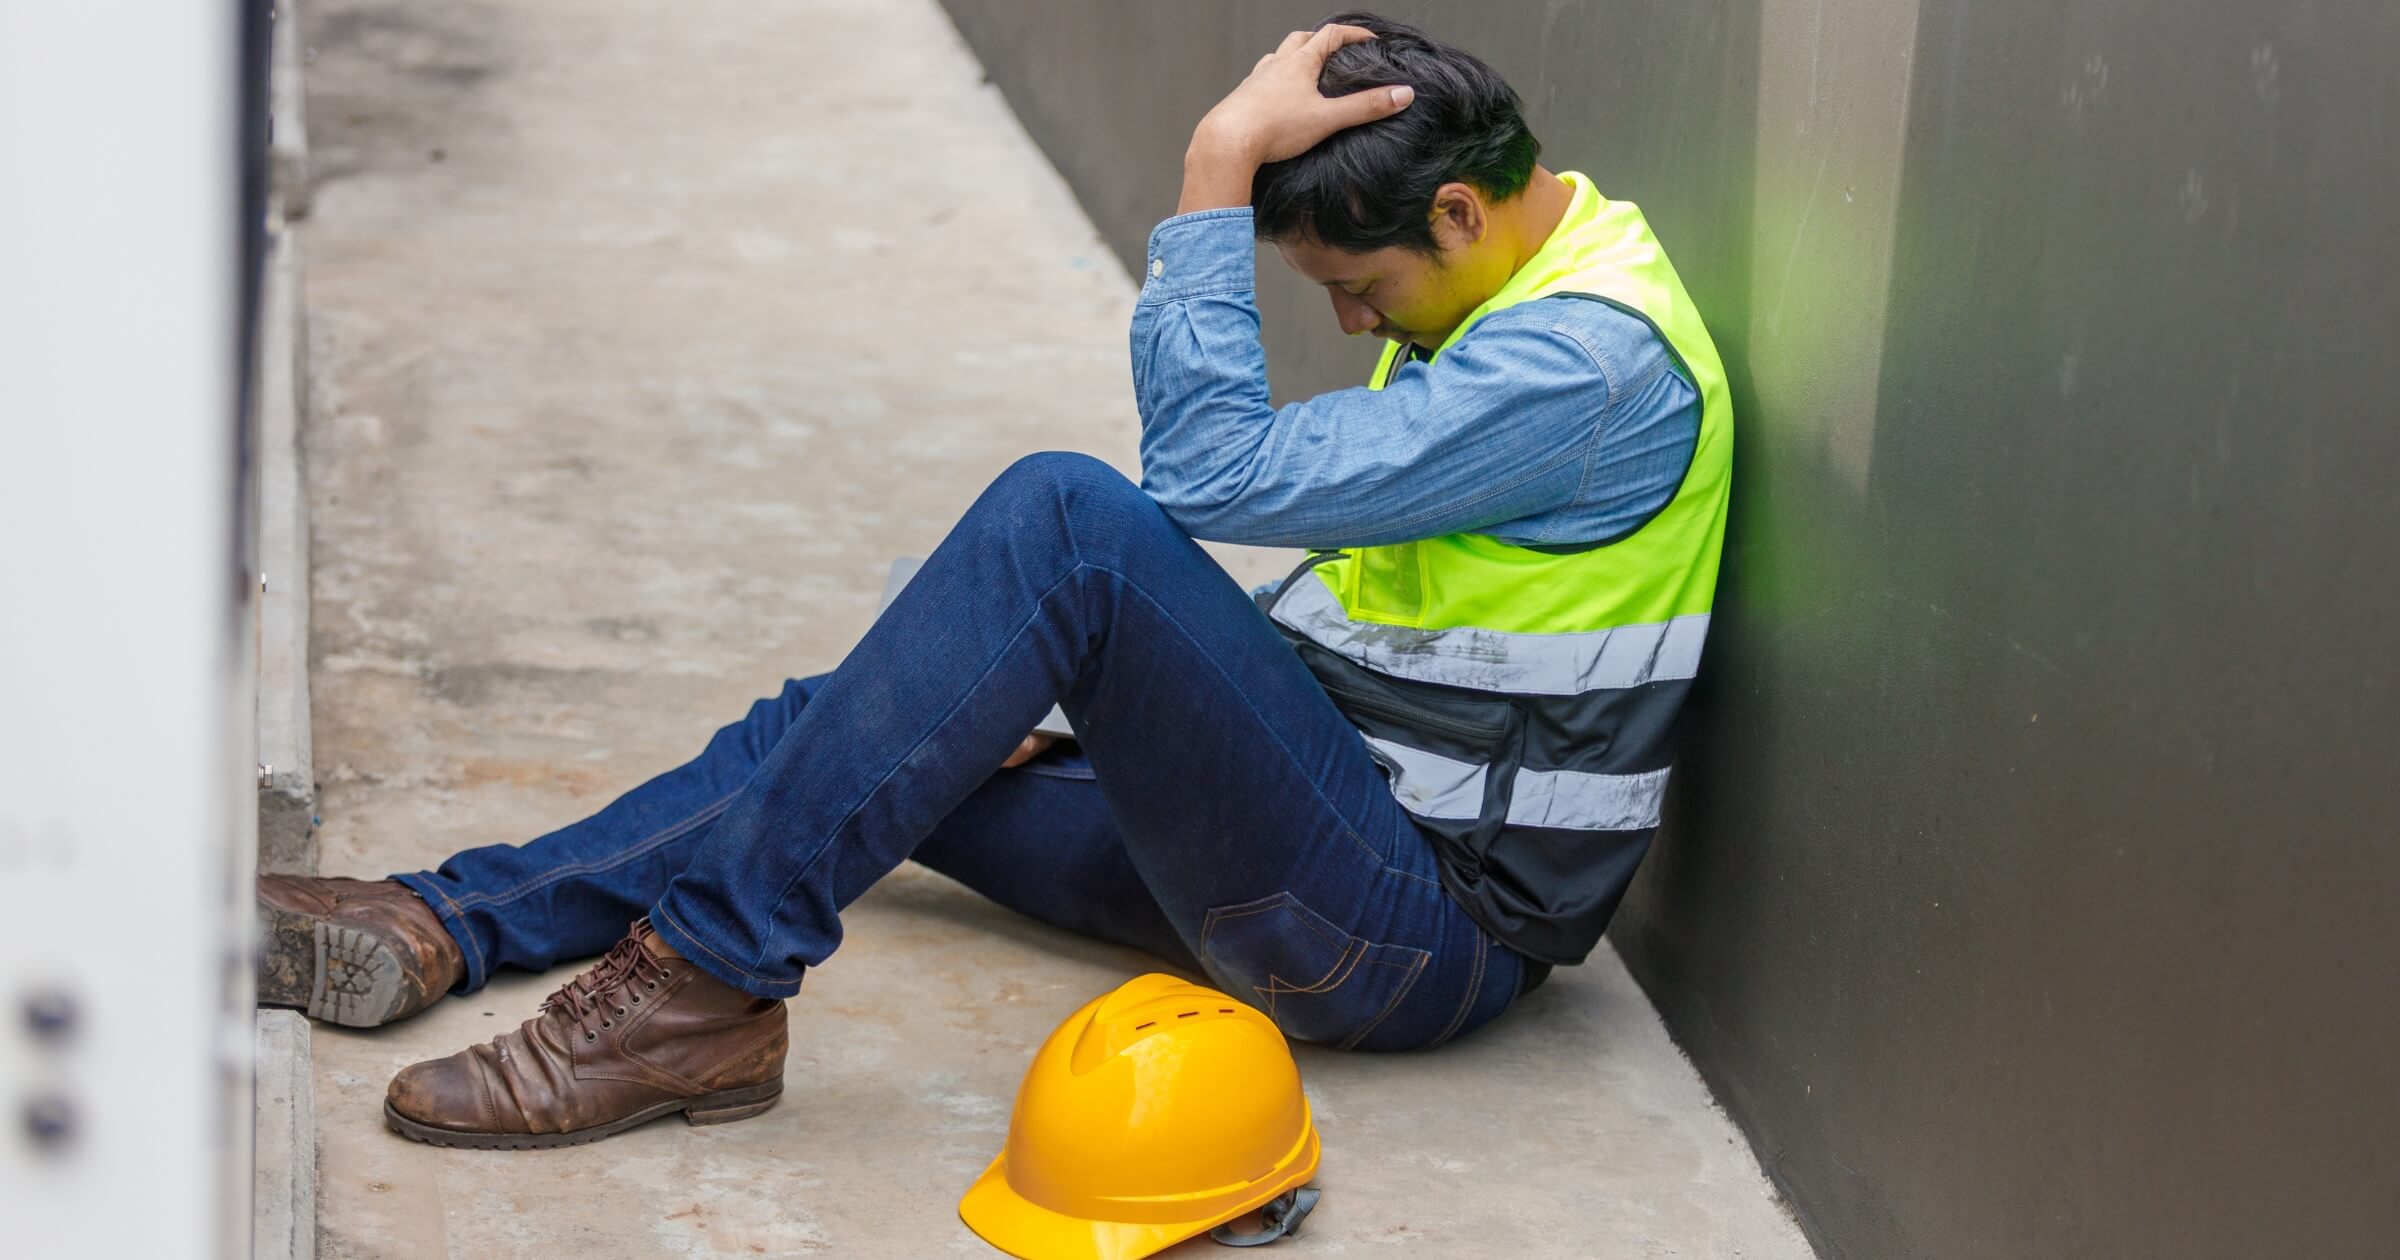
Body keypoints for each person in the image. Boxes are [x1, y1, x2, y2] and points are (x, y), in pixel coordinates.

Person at [257, 11, 1732, 1150]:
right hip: (1329, 832)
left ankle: (704, 994)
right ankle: (445, 921)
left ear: (1460, 213)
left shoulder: (1581, 367)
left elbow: (1206, 475)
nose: (1351, 324)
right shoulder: (1510, 293)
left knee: (1068, 518)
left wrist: (1216, 169)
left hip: (1407, 936)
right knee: (860, 725)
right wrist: (1080, 709)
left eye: (1360, 287)